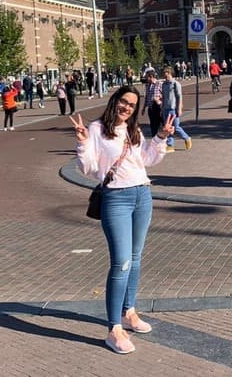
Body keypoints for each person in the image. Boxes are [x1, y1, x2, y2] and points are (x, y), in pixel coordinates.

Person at [71, 86, 175, 354]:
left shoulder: (132, 130)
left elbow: (146, 160)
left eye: (132, 104)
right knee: (121, 263)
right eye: (123, 101)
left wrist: (161, 137)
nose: (126, 107)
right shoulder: (96, 129)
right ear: (114, 100)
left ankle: (129, 311)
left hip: (143, 194)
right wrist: (82, 142)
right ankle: (113, 328)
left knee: (136, 257)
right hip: (116, 198)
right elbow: (89, 168)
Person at [160, 66, 192, 152]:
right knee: (168, 128)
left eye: (166, 76)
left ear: (170, 74)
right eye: (164, 76)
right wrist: (162, 108)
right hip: (166, 109)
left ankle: (187, 138)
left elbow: (179, 96)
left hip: (173, 108)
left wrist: (179, 108)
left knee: (176, 127)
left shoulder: (175, 84)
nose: (165, 77)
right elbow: (163, 97)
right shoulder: (164, 84)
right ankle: (170, 145)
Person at [141, 69, 163, 137]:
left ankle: (165, 141)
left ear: (151, 76)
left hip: (158, 107)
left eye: (147, 77)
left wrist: (159, 98)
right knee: (153, 125)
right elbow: (147, 97)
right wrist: (144, 108)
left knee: (160, 125)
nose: (146, 78)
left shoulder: (159, 83)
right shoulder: (147, 85)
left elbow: (165, 95)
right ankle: (155, 140)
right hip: (150, 108)